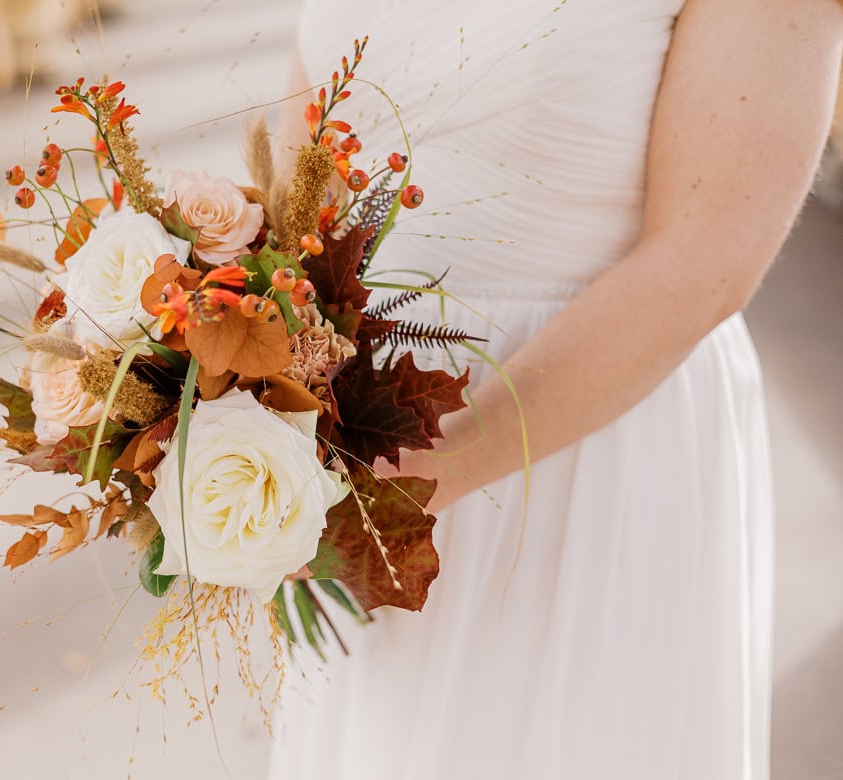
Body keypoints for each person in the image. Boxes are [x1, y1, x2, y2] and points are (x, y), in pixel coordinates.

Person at [269, 1, 843, 778]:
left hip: (584, 449)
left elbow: (708, 258)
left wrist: (423, 480)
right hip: (354, 442)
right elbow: (299, 178)